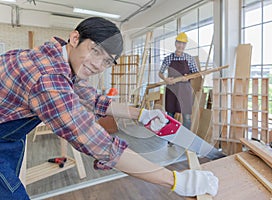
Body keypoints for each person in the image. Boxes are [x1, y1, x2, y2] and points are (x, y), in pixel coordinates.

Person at [0, 17, 218, 199]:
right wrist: (175, 180)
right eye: (95, 51)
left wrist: (141, 114)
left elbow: (94, 99)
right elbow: (94, 141)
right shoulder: (48, 79)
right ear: (75, 38)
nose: (97, 65)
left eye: (106, 61)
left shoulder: (59, 57)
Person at [159, 32, 198, 130]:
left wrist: (188, 77)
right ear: (175, 43)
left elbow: (196, 73)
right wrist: (165, 79)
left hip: (185, 90)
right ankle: (170, 137)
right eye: (179, 43)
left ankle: (185, 139)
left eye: (183, 43)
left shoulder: (189, 58)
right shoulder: (168, 59)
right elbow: (160, 73)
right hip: (172, 90)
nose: (181, 45)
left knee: (187, 117)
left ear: (185, 45)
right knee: (170, 115)